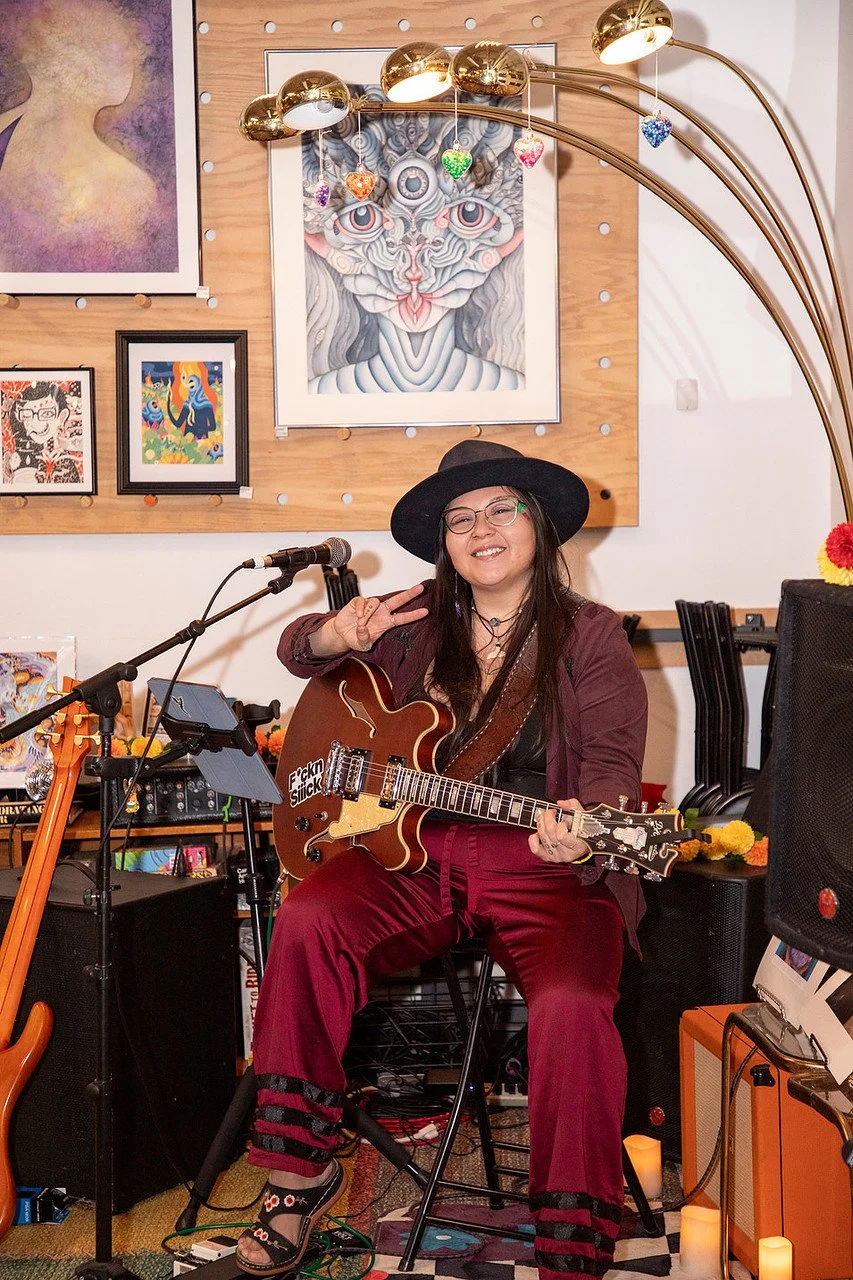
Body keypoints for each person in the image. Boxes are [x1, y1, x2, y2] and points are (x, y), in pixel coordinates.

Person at [236, 439, 648, 1279]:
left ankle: (571, 1246)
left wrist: (587, 822)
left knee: (573, 1005)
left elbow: (610, 760)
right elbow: (300, 656)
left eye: (501, 509)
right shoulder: (411, 619)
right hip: (410, 851)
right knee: (309, 919)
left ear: (538, 524)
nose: (480, 529)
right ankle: (296, 1176)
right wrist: (330, 632)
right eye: (460, 519)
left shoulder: (591, 634)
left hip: (545, 862)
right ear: (444, 542)